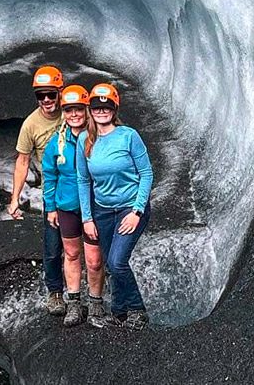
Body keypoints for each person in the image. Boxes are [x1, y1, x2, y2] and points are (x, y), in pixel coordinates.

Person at [76, 82, 154, 329]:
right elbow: (82, 179)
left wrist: (137, 211)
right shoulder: (84, 140)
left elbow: (147, 173)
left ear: (114, 108)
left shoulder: (128, 136)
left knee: (118, 261)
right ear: (91, 110)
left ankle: (137, 311)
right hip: (102, 211)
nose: (102, 111)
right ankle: (119, 312)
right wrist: (87, 218)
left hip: (130, 208)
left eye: (106, 107)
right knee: (111, 262)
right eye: (97, 107)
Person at [41, 85, 107, 326]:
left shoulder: (99, 138)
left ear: (86, 110)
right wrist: (50, 208)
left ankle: (96, 303)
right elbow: (49, 174)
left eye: (78, 109)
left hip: (95, 205)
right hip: (67, 205)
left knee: (94, 259)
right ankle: (74, 304)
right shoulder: (57, 143)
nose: (74, 115)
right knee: (71, 253)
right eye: (69, 110)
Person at [7, 65, 65, 315]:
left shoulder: (74, 112)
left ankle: (93, 287)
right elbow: (22, 161)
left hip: (83, 183)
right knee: (53, 247)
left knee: (90, 240)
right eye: (40, 95)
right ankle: (55, 293)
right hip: (53, 188)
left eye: (51, 94)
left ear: (60, 92)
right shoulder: (31, 124)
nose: (46, 100)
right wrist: (14, 198)